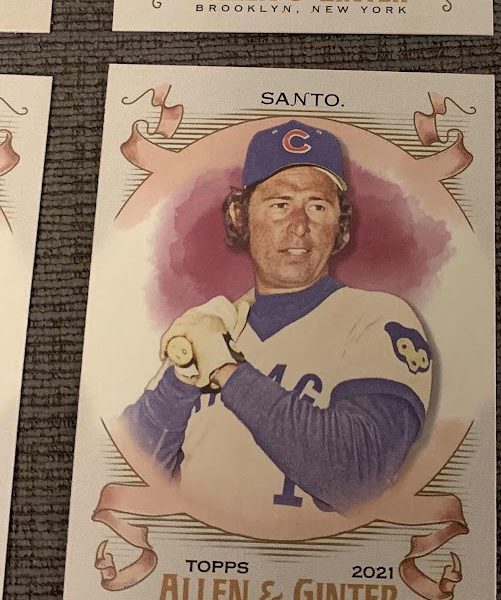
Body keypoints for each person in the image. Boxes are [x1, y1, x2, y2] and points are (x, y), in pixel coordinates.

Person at [122, 121, 433, 518]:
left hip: (320, 554)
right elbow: (134, 473)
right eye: (280, 204)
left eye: (318, 206)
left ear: (339, 223)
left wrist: (226, 371)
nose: (299, 226)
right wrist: (180, 379)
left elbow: (359, 477)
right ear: (240, 215)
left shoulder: (379, 319)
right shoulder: (214, 328)